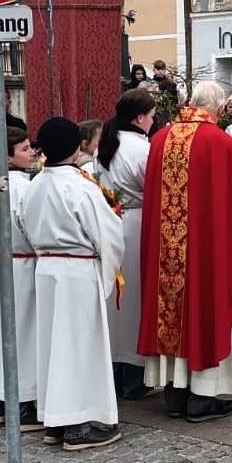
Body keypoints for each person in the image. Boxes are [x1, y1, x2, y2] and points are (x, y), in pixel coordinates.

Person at [139, 82, 232, 423]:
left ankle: (175, 394)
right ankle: (202, 396)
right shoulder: (220, 141)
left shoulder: (161, 138)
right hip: (204, 250)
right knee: (205, 309)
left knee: (172, 313)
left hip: (166, 253)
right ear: (219, 109)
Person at [23, 117, 125, 451]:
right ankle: (77, 425)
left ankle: (55, 419)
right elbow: (108, 234)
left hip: (46, 268)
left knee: (52, 345)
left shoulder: (34, 184)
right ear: (76, 147)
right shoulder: (81, 187)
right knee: (77, 347)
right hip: (77, 271)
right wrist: (109, 271)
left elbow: (24, 225)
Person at [93, 89, 159, 400]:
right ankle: (135, 377)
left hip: (112, 220)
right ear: (140, 117)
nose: (154, 120)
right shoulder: (142, 149)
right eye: (152, 115)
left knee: (116, 302)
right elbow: (155, 185)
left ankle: (115, 373)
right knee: (135, 301)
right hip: (139, 223)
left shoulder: (106, 145)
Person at [0, 126, 41, 430]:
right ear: (8, 156)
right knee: (23, 335)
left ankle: (2, 401)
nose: (32, 153)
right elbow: (31, 227)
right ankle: (23, 404)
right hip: (21, 268)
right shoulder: (23, 188)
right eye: (25, 149)